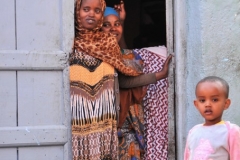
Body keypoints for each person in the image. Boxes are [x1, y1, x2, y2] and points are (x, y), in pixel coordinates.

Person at [70, 0, 172, 159]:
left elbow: (124, 80)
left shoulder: (108, 45)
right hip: (78, 125)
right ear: (77, 12)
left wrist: (160, 75)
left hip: (106, 126)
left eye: (97, 11)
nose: (91, 14)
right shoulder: (68, 45)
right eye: (86, 9)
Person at [101, 6, 172, 159]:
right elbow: (125, 81)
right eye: (106, 25)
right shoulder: (99, 54)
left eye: (116, 23)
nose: (113, 28)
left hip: (128, 130)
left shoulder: (117, 53)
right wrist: (160, 75)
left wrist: (123, 24)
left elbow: (128, 63)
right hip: (109, 129)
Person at [184, 76, 240, 160]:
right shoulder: (193, 131)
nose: (208, 104)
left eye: (214, 100)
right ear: (196, 104)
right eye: (202, 100)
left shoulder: (231, 131)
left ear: (226, 104)